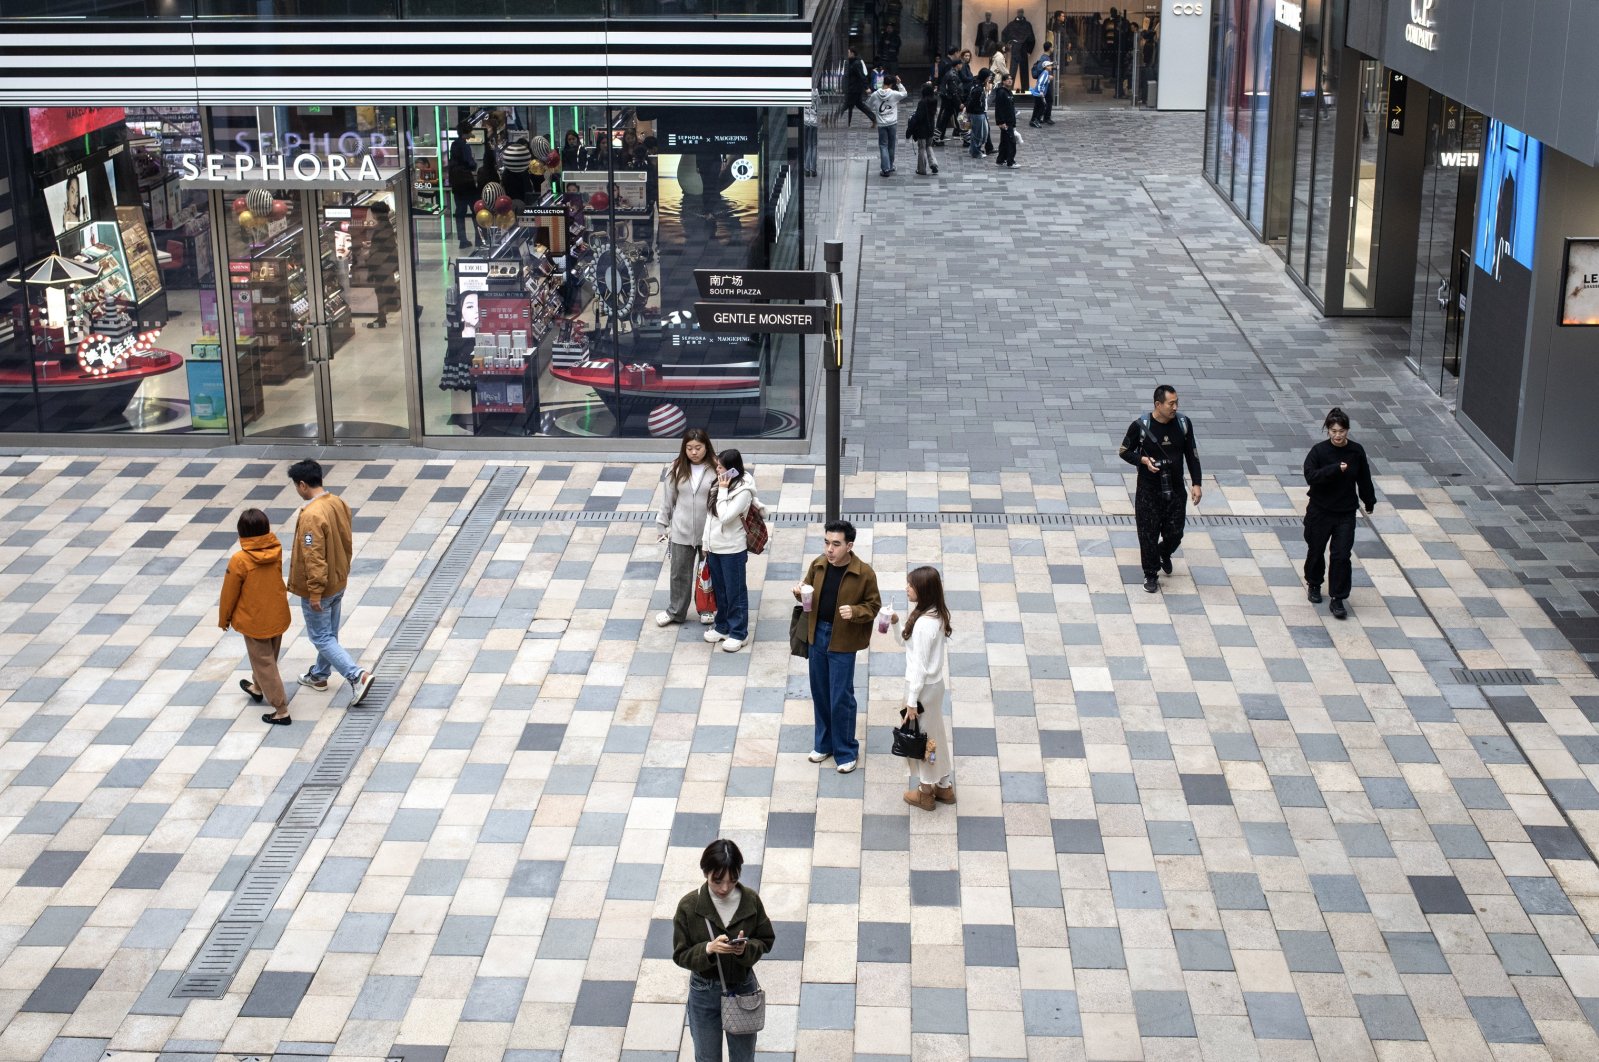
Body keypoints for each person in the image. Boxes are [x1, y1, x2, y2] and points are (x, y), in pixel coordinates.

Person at [673, 839, 776, 1062]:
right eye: (717, 881)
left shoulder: (750, 900)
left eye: (732, 880)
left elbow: (766, 939)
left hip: (742, 986)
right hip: (704, 990)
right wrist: (708, 949)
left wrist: (745, 950)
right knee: (707, 1057)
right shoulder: (689, 906)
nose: (724, 888)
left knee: (743, 1057)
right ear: (706, 873)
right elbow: (680, 954)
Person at [794, 520, 882, 773]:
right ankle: (824, 744)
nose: (829, 549)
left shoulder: (863, 573)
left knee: (841, 696)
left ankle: (845, 750)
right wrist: (798, 592)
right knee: (820, 691)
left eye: (835, 544)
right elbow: (806, 592)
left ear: (849, 545)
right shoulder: (818, 565)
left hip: (843, 639)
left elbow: (873, 607)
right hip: (816, 634)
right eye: (826, 542)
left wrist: (854, 611)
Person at [287, 459, 373, 704]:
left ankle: (357, 676)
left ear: (302, 485)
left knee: (321, 637)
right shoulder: (338, 502)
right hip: (338, 580)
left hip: (321, 587)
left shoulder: (311, 515)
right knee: (330, 633)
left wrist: (314, 592)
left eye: (296, 486)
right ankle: (320, 675)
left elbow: (313, 556)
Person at [1118, 385, 1202, 593]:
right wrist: (1143, 460)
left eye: (1176, 402)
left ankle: (1163, 552)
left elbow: (1192, 455)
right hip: (1148, 490)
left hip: (1174, 489)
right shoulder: (1140, 426)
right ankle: (1151, 574)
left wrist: (1196, 483)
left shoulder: (1183, 424)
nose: (1175, 407)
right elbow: (1124, 451)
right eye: (1170, 403)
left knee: (1176, 532)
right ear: (1158, 404)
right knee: (1147, 534)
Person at [220, 508, 292, 726]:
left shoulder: (240, 560)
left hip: (254, 619)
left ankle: (281, 710)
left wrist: (224, 619)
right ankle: (257, 686)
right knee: (268, 657)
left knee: (265, 662)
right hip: (277, 614)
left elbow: (229, 593)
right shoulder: (276, 549)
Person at [1303, 408, 1377, 620]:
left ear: (1348, 431)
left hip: (1345, 512)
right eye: (1334, 430)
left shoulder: (1356, 451)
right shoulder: (1319, 452)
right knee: (1316, 549)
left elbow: (1364, 478)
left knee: (1341, 555)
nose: (1338, 435)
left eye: (1342, 431)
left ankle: (1338, 598)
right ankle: (1314, 583)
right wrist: (1335, 469)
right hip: (1320, 510)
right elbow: (1311, 476)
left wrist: (1369, 500)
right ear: (1327, 430)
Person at [891, 566, 955, 810]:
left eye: (910, 585)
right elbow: (906, 644)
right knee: (935, 736)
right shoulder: (935, 614)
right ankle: (944, 787)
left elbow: (918, 666)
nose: (906, 588)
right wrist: (896, 623)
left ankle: (926, 791)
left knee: (923, 740)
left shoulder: (923, 625)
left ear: (923, 590)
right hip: (934, 687)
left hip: (921, 690)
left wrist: (911, 701)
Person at [702, 449, 764, 653]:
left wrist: (722, 489)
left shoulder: (743, 491)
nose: (717, 469)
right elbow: (710, 517)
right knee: (720, 590)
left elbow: (725, 516)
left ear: (731, 469)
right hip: (715, 547)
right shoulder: (720, 481)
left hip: (732, 549)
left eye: (720, 467)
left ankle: (739, 633)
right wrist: (705, 543)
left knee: (735, 591)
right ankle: (723, 626)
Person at [657, 428, 718, 628]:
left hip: (708, 532)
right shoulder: (676, 468)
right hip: (681, 531)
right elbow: (668, 499)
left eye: (698, 448)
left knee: (708, 572)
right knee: (678, 573)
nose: (693, 452)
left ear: (706, 447)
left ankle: (707, 609)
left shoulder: (716, 468)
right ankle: (676, 611)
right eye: (689, 448)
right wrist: (662, 525)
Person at [363, 201, 400, 329]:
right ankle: (381, 317)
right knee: (387, 290)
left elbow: (378, 250)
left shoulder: (380, 227)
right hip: (387, 262)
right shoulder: (386, 224)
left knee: (382, 291)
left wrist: (370, 265)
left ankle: (381, 318)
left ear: (376, 213)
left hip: (382, 265)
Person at [867, 74, 908, 177]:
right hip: (892, 123)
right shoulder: (894, 94)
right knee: (891, 145)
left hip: (881, 124)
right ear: (891, 84)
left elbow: (868, 105)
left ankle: (885, 169)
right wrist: (899, 84)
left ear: (883, 83)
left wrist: (876, 108)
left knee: (883, 145)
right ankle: (890, 166)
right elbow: (904, 94)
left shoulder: (875, 94)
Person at [448, 121, 477, 249]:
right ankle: (480, 238)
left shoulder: (454, 145)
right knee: (476, 210)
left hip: (456, 182)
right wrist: (474, 164)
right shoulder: (464, 146)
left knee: (460, 211)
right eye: (470, 131)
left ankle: (462, 239)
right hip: (467, 182)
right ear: (467, 132)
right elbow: (470, 164)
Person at [906, 82, 939, 176]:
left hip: (922, 129)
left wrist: (911, 127)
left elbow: (919, 117)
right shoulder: (934, 100)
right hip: (931, 128)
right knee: (929, 146)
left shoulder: (922, 102)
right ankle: (933, 164)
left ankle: (921, 169)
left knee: (921, 148)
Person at [837, 46, 875, 125]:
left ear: (852, 53)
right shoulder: (850, 62)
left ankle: (833, 119)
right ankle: (874, 118)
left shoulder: (857, 63)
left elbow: (862, 76)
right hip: (851, 88)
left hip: (855, 89)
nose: (847, 54)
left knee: (846, 104)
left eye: (848, 52)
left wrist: (866, 87)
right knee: (859, 105)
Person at [934, 47, 964, 145]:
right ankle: (967, 138)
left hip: (949, 99)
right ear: (957, 65)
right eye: (961, 64)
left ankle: (936, 137)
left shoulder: (949, 69)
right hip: (951, 100)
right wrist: (959, 102)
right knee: (962, 119)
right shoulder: (952, 74)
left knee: (945, 120)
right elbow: (954, 90)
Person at [965, 68, 992, 159]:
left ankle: (975, 150)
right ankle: (975, 152)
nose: (990, 79)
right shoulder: (978, 88)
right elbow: (972, 101)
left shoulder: (979, 85)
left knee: (984, 133)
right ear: (985, 77)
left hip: (981, 112)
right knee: (978, 134)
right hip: (977, 113)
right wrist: (969, 113)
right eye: (989, 77)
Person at [994, 73, 1019, 168]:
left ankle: (1000, 160)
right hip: (1005, 122)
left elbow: (1011, 108)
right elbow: (999, 108)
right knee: (1011, 142)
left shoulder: (1009, 92)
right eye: (1007, 79)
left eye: (1011, 79)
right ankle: (1010, 162)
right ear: (1003, 81)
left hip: (1010, 121)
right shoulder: (1001, 92)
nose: (1010, 80)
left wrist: (1014, 123)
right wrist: (1000, 122)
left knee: (1004, 142)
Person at [1029, 56, 1054, 127]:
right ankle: (1035, 120)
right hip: (1039, 94)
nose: (1051, 66)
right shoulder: (1046, 73)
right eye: (1049, 65)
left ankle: (1034, 120)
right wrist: (1041, 93)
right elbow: (1040, 83)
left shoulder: (1045, 73)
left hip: (1038, 93)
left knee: (1038, 107)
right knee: (1041, 107)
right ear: (1046, 67)